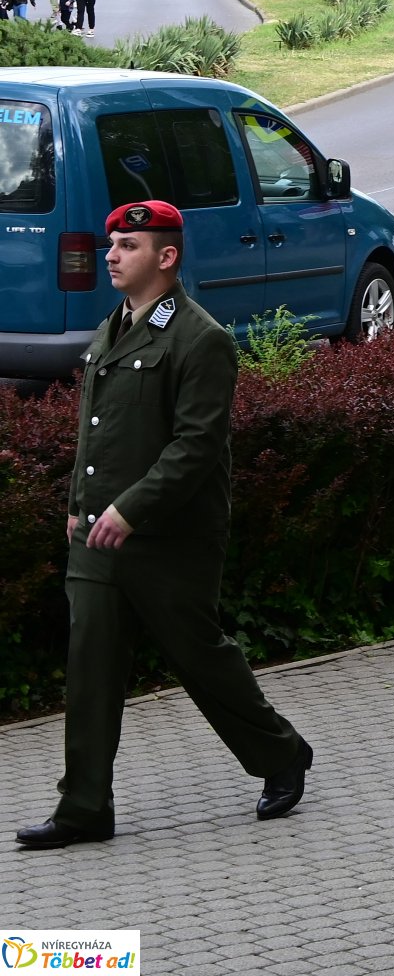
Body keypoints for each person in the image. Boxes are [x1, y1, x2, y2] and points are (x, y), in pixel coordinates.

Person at [16, 200, 312, 849]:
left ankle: (282, 752)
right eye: (112, 245)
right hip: (99, 535)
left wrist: (132, 508)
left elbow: (196, 446)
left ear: (167, 256)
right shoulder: (114, 326)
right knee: (90, 666)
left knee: (197, 657)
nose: (112, 256)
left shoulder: (200, 339)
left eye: (128, 246)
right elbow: (96, 430)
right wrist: (78, 504)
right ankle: (84, 807)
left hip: (171, 538)